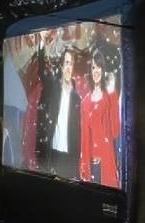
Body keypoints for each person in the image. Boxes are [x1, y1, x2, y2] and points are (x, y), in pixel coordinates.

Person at [35, 34, 82, 179]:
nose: (68, 67)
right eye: (66, 63)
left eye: (71, 63)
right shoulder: (53, 85)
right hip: (53, 150)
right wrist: (42, 43)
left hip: (69, 154)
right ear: (61, 66)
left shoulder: (76, 96)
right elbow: (42, 72)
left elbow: (77, 127)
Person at [79, 49, 121, 188]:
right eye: (93, 67)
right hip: (91, 164)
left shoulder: (109, 97)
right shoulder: (84, 103)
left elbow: (115, 131)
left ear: (103, 70)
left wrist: (113, 93)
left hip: (107, 162)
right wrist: (84, 165)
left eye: (99, 67)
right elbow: (84, 137)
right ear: (90, 71)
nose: (96, 71)